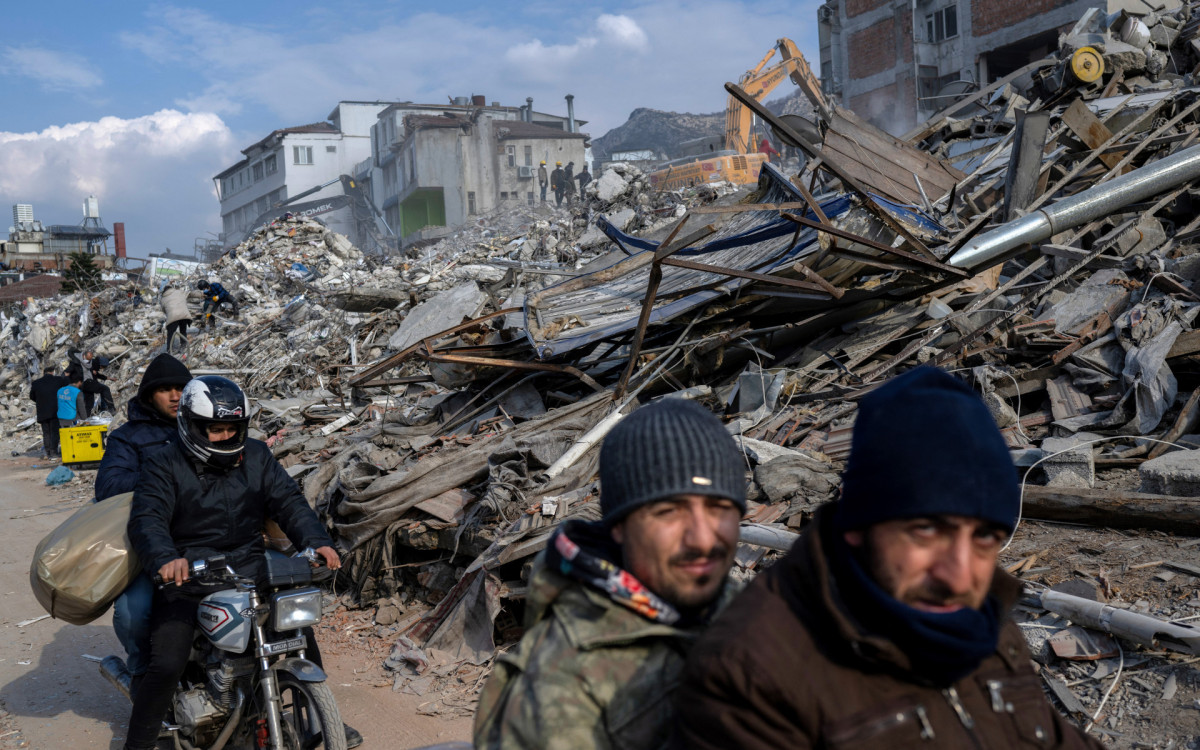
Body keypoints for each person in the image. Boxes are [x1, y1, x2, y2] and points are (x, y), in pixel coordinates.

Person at [671, 367, 1104, 750]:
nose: (959, 575)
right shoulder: (751, 676)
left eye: (986, 535)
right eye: (926, 529)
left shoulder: (978, 615)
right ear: (859, 523)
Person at [474, 398, 746, 750]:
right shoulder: (562, 689)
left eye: (719, 508)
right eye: (668, 511)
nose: (703, 538)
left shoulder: (739, 607)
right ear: (618, 526)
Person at [124, 375, 361, 749]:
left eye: (231, 428)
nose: (224, 436)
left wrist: (316, 542)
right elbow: (147, 519)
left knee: (299, 634)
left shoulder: (256, 454)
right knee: (167, 663)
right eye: (214, 429)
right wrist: (167, 558)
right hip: (190, 576)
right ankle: (138, 743)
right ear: (191, 425)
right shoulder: (163, 462)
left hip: (250, 566)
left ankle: (320, 716)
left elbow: (288, 502)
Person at [94, 353, 193, 690]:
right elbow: (108, 487)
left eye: (181, 388)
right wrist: (162, 478)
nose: (176, 396)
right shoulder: (128, 437)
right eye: (166, 389)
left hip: (206, 537)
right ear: (150, 395)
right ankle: (140, 674)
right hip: (148, 545)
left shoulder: (206, 426)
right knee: (133, 613)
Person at [29, 364, 68, 459]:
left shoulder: (36, 383)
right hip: (55, 411)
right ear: (53, 372)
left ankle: (48, 452)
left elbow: (32, 396)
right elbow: (67, 383)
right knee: (54, 431)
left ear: (44, 373)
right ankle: (53, 452)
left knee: (46, 433)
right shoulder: (58, 380)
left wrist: (40, 401)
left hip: (42, 411)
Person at [68, 348, 115, 414]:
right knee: (105, 389)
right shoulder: (94, 363)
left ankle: (85, 418)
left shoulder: (83, 361)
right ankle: (110, 409)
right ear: (101, 365)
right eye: (103, 367)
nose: (102, 369)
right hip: (86, 382)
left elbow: (96, 375)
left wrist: (108, 378)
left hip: (82, 384)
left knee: (89, 403)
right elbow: (93, 375)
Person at [160, 283, 190, 354]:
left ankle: (169, 349)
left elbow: (164, 310)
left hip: (173, 315)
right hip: (184, 314)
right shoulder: (179, 291)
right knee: (183, 330)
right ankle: (183, 346)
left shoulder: (163, 298)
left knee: (171, 333)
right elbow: (189, 294)